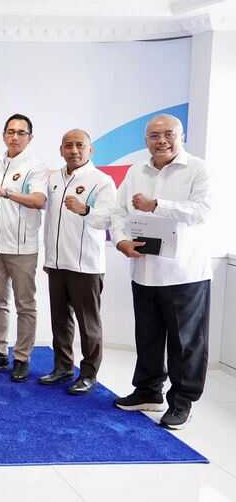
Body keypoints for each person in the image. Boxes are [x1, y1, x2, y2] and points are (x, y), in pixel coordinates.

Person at [111, 114, 212, 429]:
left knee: (185, 343)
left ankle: (182, 403)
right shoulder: (136, 171)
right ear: (146, 141)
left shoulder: (198, 169)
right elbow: (118, 211)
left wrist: (157, 205)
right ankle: (148, 391)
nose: (162, 141)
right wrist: (121, 240)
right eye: (154, 136)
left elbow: (202, 211)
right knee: (148, 336)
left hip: (185, 273)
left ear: (181, 136)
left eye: (169, 134)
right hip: (144, 269)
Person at [40, 129, 116, 395]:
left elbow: (109, 219)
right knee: (60, 321)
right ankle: (62, 367)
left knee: (88, 324)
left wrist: (86, 210)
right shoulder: (53, 178)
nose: (74, 150)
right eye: (68, 145)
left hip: (86, 265)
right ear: (61, 150)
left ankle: (88, 374)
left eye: (79, 145)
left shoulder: (101, 181)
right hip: (57, 262)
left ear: (90, 150)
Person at [0, 114, 48, 382]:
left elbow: (39, 201)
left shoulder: (36, 167)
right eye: (10, 131)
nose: (15, 137)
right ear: (3, 135)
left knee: (25, 305)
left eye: (21, 132)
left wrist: (6, 192)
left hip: (22, 248)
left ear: (30, 137)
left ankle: (22, 357)